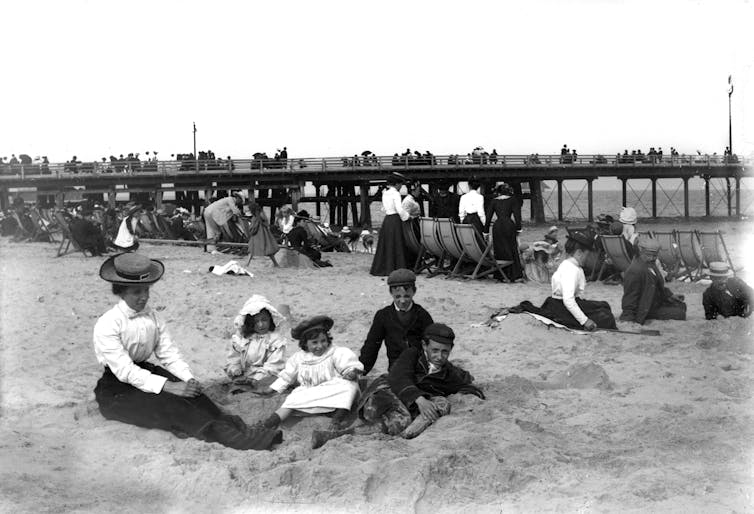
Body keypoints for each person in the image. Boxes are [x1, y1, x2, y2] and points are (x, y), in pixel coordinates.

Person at [93, 253, 281, 450]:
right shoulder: (108, 323)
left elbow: (169, 354)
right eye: (136, 292)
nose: (144, 297)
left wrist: (187, 379)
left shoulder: (153, 318)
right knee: (172, 406)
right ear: (121, 292)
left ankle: (237, 427)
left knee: (194, 396)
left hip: (145, 372)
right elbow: (125, 371)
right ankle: (233, 438)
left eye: (146, 290)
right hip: (117, 389)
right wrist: (169, 386)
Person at [311, 323, 485, 448]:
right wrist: (419, 399)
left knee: (431, 407)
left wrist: (472, 390)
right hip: (385, 393)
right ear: (425, 345)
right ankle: (335, 432)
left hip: (405, 405)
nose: (439, 356)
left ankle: (408, 433)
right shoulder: (412, 354)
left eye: (445, 351)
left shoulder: (448, 372)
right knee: (399, 418)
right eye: (435, 350)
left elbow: (463, 383)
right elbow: (399, 376)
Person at [258, 316, 364, 440]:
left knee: (349, 386)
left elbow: (349, 365)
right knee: (293, 398)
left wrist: (351, 372)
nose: (320, 346)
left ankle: (336, 423)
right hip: (309, 390)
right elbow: (287, 375)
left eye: (323, 341)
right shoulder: (299, 358)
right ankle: (268, 424)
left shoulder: (335, 352)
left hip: (332, 390)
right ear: (305, 344)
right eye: (314, 343)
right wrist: (273, 388)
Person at [515, 231, 616, 330]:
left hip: (560, 303)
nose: (588, 258)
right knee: (606, 317)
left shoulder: (569, 264)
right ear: (579, 253)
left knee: (604, 305)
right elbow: (568, 300)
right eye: (587, 255)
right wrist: (585, 321)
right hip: (561, 307)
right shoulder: (571, 269)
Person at [359, 268, 434, 375]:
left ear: (414, 291)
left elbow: (433, 343)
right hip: (396, 369)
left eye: (407, 296)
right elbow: (372, 345)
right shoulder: (383, 316)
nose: (402, 301)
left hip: (420, 369)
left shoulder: (422, 315)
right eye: (397, 296)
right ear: (391, 292)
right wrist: (362, 369)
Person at [225, 295, 289, 389]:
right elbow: (234, 358)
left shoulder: (275, 340)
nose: (261, 325)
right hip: (244, 378)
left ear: (270, 319)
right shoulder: (242, 339)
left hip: (266, 379)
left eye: (264, 320)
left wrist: (257, 378)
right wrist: (235, 369)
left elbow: (274, 365)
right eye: (256, 321)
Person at [620, 238, 687, 324]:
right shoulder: (635, 270)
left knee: (681, 306)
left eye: (654, 256)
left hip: (655, 302)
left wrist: (671, 295)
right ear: (641, 252)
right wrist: (628, 318)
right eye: (648, 255)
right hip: (646, 307)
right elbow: (630, 296)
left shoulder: (651, 264)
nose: (651, 258)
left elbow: (657, 286)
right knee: (680, 314)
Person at [370, 174, 410, 276]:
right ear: (396, 184)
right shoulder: (396, 194)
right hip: (395, 220)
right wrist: (407, 216)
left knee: (387, 244)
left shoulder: (385, 193)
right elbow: (399, 209)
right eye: (400, 184)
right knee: (397, 243)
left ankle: (385, 267)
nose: (401, 187)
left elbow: (383, 208)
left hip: (387, 219)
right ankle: (397, 267)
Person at [484, 183, 524, 281]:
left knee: (500, 249)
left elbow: (488, 217)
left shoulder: (494, 201)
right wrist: (519, 229)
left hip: (497, 226)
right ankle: (514, 274)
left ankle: (501, 275)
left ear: (499, 192)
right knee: (511, 248)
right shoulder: (513, 200)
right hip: (509, 225)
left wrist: (486, 232)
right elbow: (517, 216)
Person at [246, 203, 279, 267]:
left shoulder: (258, 213)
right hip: (260, 232)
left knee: (254, 247)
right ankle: (275, 263)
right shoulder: (258, 213)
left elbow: (265, 220)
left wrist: (259, 220)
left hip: (260, 232)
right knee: (266, 247)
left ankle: (247, 263)